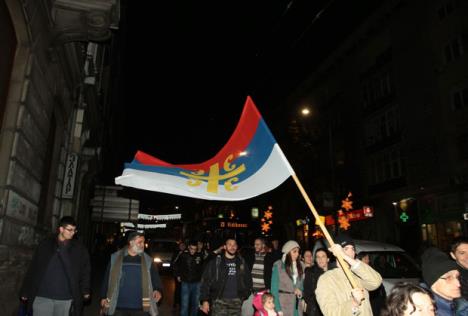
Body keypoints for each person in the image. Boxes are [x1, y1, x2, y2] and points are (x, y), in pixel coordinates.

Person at [19, 216, 91, 316]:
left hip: (65, 298)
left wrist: (85, 290)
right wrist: (25, 290)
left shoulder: (79, 249)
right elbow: (34, 267)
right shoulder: (46, 244)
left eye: (74, 230)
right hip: (42, 296)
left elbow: (85, 271)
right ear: (61, 229)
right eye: (70, 230)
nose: (73, 233)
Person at [315, 234, 382, 316]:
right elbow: (331, 313)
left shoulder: (359, 274)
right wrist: (354, 303)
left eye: (353, 249)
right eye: (346, 249)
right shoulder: (326, 279)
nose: (351, 253)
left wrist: (345, 256)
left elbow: (376, 282)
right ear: (336, 253)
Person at [100, 231, 162, 316]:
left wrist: (158, 290)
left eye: (143, 242)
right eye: (139, 242)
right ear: (131, 242)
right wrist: (103, 296)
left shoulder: (148, 260)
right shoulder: (115, 258)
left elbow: (156, 279)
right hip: (118, 306)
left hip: (141, 308)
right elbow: (107, 278)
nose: (142, 245)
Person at [199, 237, 252, 315]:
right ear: (224, 247)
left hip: (236, 301)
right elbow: (205, 281)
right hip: (219, 301)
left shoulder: (241, 262)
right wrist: (205, 300)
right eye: (229, 244)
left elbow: (248, 280)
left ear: (237, 247)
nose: (232, 247)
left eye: (234, 245)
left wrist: (244, 296)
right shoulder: (216, 262)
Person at [421, 246, 464, 316]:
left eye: (457, 277)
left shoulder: (459, 305)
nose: (458, 284)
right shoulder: (429, 313)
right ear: (432, 283)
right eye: (448, 278)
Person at [242, 237, 276, 316]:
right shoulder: (250, 257)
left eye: (257, 244)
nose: (255, 246)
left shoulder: (269, 257)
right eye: (254, 244)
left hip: (263, 293)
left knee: (264, 314)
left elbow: (279, 256)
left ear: (263, 245)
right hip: (250, 292)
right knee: (246, 313)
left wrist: (272, 249)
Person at [271, 240, 305, 316]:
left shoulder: (301, 266)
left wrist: (300, 292)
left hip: (297, 305)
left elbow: (302, 285)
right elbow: (274, 289)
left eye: (298, 252)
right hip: (283, 304)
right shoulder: (279, 266)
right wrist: (278, 308)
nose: (297, 254)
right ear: (288, 252)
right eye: (294, 251)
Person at [174, 240, 204, 316]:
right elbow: (175, 265)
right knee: (185, 304)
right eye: (191, 248)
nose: (193, 250)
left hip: (197, 283)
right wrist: (178, 275)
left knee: (195, 304)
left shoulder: (199, 255)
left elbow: (203, 267)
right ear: (188, 247)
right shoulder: (183, 255)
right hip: (185, 282)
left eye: (194, 249)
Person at [303, 248, 331, 316]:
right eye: (318, 257)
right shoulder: (310, 272)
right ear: (315, 260)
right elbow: (307, 294)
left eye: (323, 256)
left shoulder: (333, 272)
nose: (320, 259)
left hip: (332, 308)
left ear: (328, 259)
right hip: (316, 310)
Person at [171, 241, 186, 309]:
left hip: (184, 274)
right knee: (177, 288)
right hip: (178, 274)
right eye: (181, 245)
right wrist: (178, 255)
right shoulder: (177, 253)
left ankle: (181, 303)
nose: (182, 247)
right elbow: (173, 262)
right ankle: (175, 303)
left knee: (183, 289)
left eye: (183, 245)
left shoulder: (186, 253)